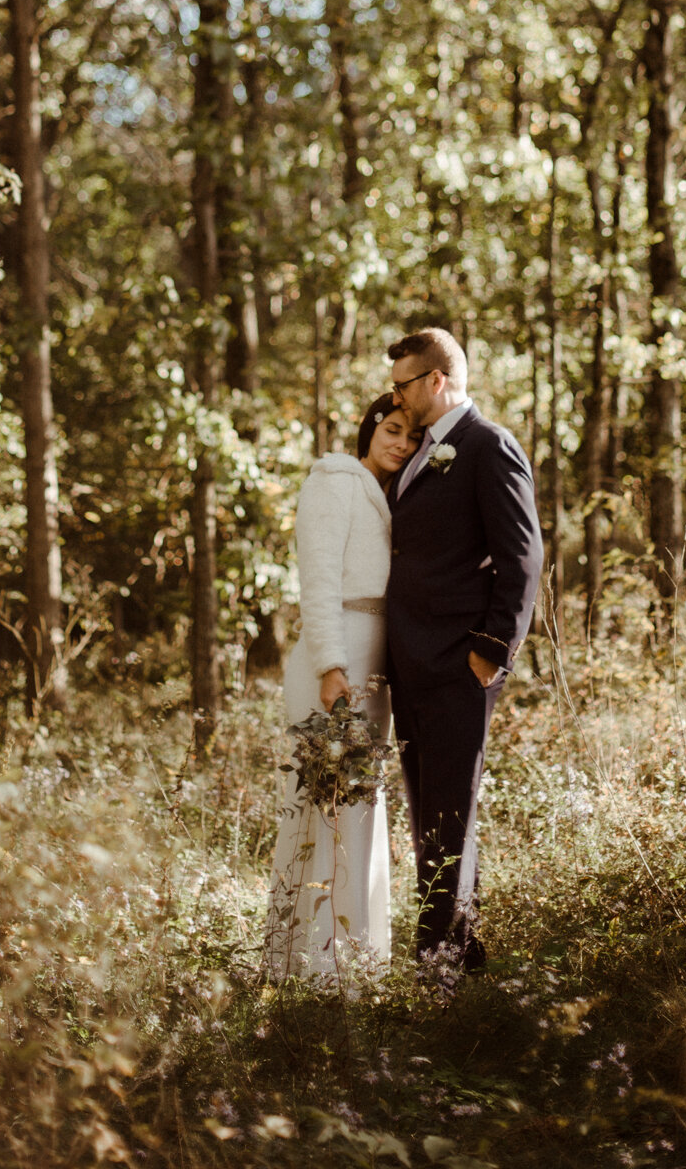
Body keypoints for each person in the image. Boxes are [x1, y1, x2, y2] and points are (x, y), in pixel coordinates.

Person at [385, 326, 542, 978]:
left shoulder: (487, 447)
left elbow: (522, 557)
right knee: (433, 815)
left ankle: (435, 970)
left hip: (456, 665)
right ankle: (463, 950)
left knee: (447, 816)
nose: (394, 397)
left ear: (435, 382)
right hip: (412, 665)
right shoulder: (423, 451)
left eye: (401, 385)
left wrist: (489, 653)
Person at [262, 396, 420, 982]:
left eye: (411, 435)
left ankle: (359, 961)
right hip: (338, 665)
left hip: (374, 665)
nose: (401, 444)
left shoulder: (388, 495)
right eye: (392, 430)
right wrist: (332, 664)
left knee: (361, 804)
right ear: (370, 429)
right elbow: (319, 577)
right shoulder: (334, 480)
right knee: (323, 807)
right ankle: (305, 962)